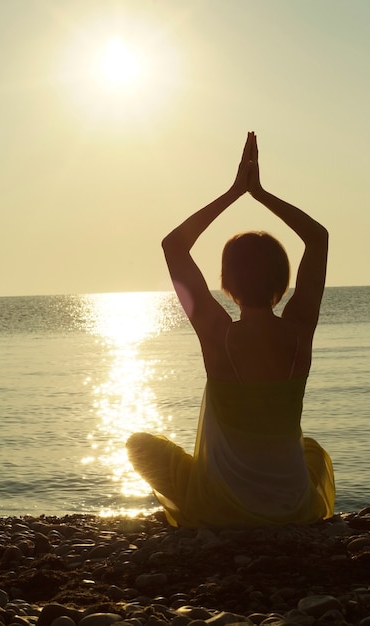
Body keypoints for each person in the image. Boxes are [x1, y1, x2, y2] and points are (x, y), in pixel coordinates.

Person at [126, 131, 335, 528]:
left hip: (222, 509)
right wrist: (261, 194)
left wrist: (235, 191)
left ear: (227, 283)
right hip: (292, 509)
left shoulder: (215, 333)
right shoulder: (300, 330)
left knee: (138, 445)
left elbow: (173, 246)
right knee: (312, 453)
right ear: (281, 282)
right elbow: (318, 238)